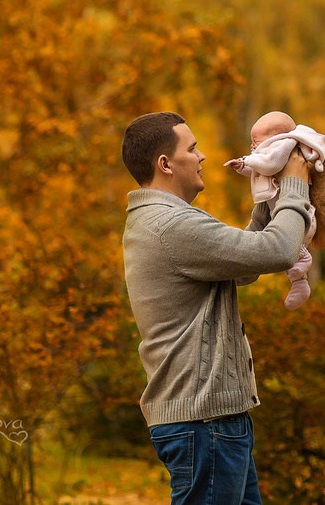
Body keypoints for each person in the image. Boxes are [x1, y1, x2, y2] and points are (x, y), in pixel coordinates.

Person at [121, 111, 312, 505]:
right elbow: (278, 251)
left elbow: (242, 268)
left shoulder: (168, 220)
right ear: (166, 164)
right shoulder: (170, 225)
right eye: (192, 148)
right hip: (203, 421)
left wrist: (267, 197)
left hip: (210, 419)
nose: (203, 156)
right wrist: (295, 181)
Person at [225, 111, 325, 310]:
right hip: (282, 212)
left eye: (256, 140)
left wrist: (246, 161)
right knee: (284, 248)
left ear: (276, 138)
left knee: (291, 249)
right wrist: (243, 166)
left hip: (302, 215)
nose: (252, 146)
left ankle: (301, 275)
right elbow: (259, 170)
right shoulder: (271, 151)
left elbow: (269, 164)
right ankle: (300, 282)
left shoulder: (284, 148)